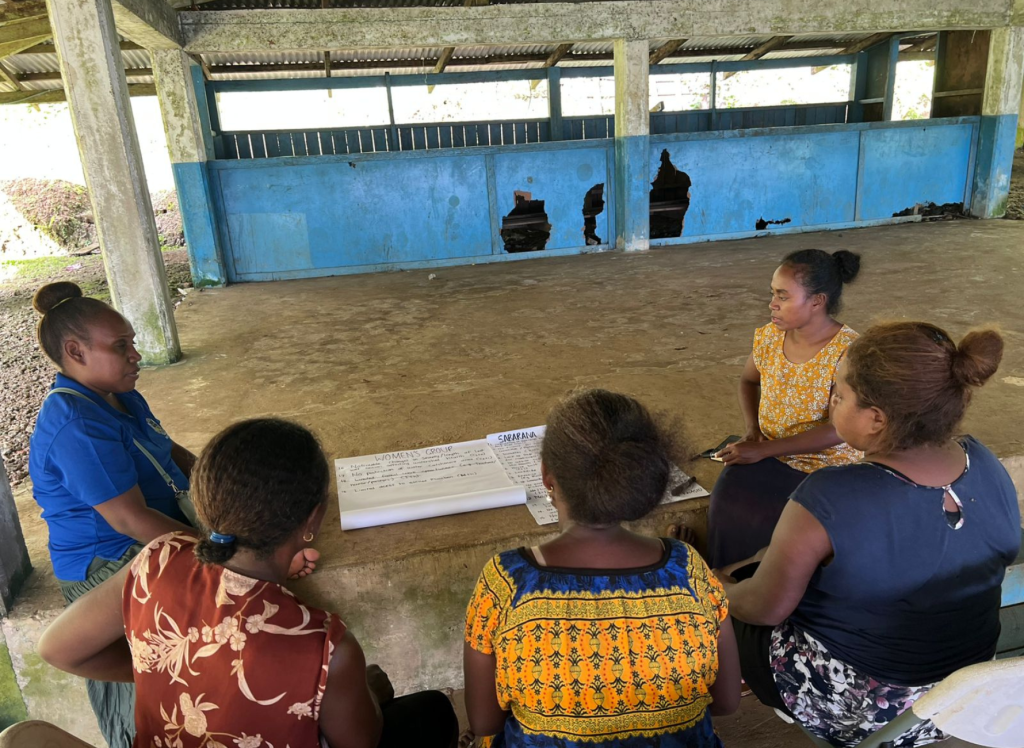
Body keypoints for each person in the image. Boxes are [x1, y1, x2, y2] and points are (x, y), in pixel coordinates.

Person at [39, 418, 459, 748]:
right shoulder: (325, 646)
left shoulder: (156, 559)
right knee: (433, 711)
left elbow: (56, 649)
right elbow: (360, 742)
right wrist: (368, 693)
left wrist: (175, 668)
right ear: (312, 520)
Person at [718, 323, 1021, 747]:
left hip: (871, 712)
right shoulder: (983, 461)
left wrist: (715, 587)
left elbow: (764, 609)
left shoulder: (831, 494)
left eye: (839, 395)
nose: (831, 401)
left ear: (876, 418)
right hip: (966, 697)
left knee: (728, 602)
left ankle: (742, 690)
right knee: (774, 563)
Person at [463, 389, 741, 748]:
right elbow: (726, 702)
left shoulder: (505, 582)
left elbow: (484, 721)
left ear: (547, 475)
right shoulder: (689, 569)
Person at [28, 281, 197, 748]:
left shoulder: (119, 396)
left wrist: (222, 486)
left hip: (147, 541)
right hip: (110, 564)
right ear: (75, 351)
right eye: (121, 346)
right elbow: (131, 520)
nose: (135, 355)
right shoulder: (76, 423)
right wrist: (217, 552)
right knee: (156, 692)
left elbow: (168, 451)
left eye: (132, 343)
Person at [706, 249, 862, 568]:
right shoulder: (769, 338)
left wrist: (764, 450)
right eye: (772, 294)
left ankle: (762, 586)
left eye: (782, 296)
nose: (772, 304)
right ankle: (724, 582)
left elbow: (838, 429)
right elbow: (748, 381)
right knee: (726, 500)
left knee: (784, 526)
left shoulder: (848, 352)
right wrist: (753, 432)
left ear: (817, 301)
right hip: (770, 452)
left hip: (825, 467)